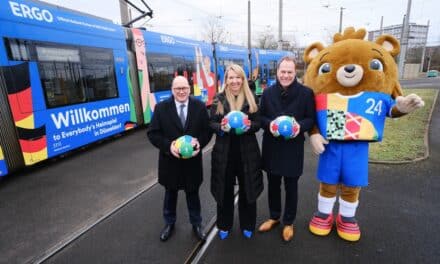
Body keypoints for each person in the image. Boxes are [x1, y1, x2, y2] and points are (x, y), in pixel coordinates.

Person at [147, 76, 212, 242]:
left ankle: (197, 224)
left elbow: (207, 131)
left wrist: (199, 144)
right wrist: (169, 146)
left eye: (184, 88)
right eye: (178, 89)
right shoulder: (161, 108)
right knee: (170, 194)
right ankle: (169, 223)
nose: (182, 91)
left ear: (189, 89)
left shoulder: (199, 106)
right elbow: (153, 133)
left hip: (192, 163)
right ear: (172, 90)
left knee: (193, 194)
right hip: (170, 163)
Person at [258, 56, 315, 242]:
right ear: (277, 72)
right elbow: (261, 118)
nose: (286, 75)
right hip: (272, 148)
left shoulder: (306, 93)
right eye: (282, 71)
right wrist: (271, 125)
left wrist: (299, 126)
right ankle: (274, 217)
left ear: (295, 73)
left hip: (293, 149)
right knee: (273, 185)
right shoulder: (267, 93)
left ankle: (288, 222)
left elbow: (310, 118)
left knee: (291, 187)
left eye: (290, 72)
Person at [209, 64, 263, 240]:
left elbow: (258, 123)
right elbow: (211, 123)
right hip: (224, 154)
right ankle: (224, 224)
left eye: (238, 77)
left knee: (248, 190)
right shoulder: (218, 99)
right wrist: (221, 127)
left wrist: (249, 126)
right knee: (224, 191)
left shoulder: (251, 97)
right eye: (231, 77)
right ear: (226, 80)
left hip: (247, 154)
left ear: (243, 79)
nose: (234, 81)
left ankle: (248, 224)